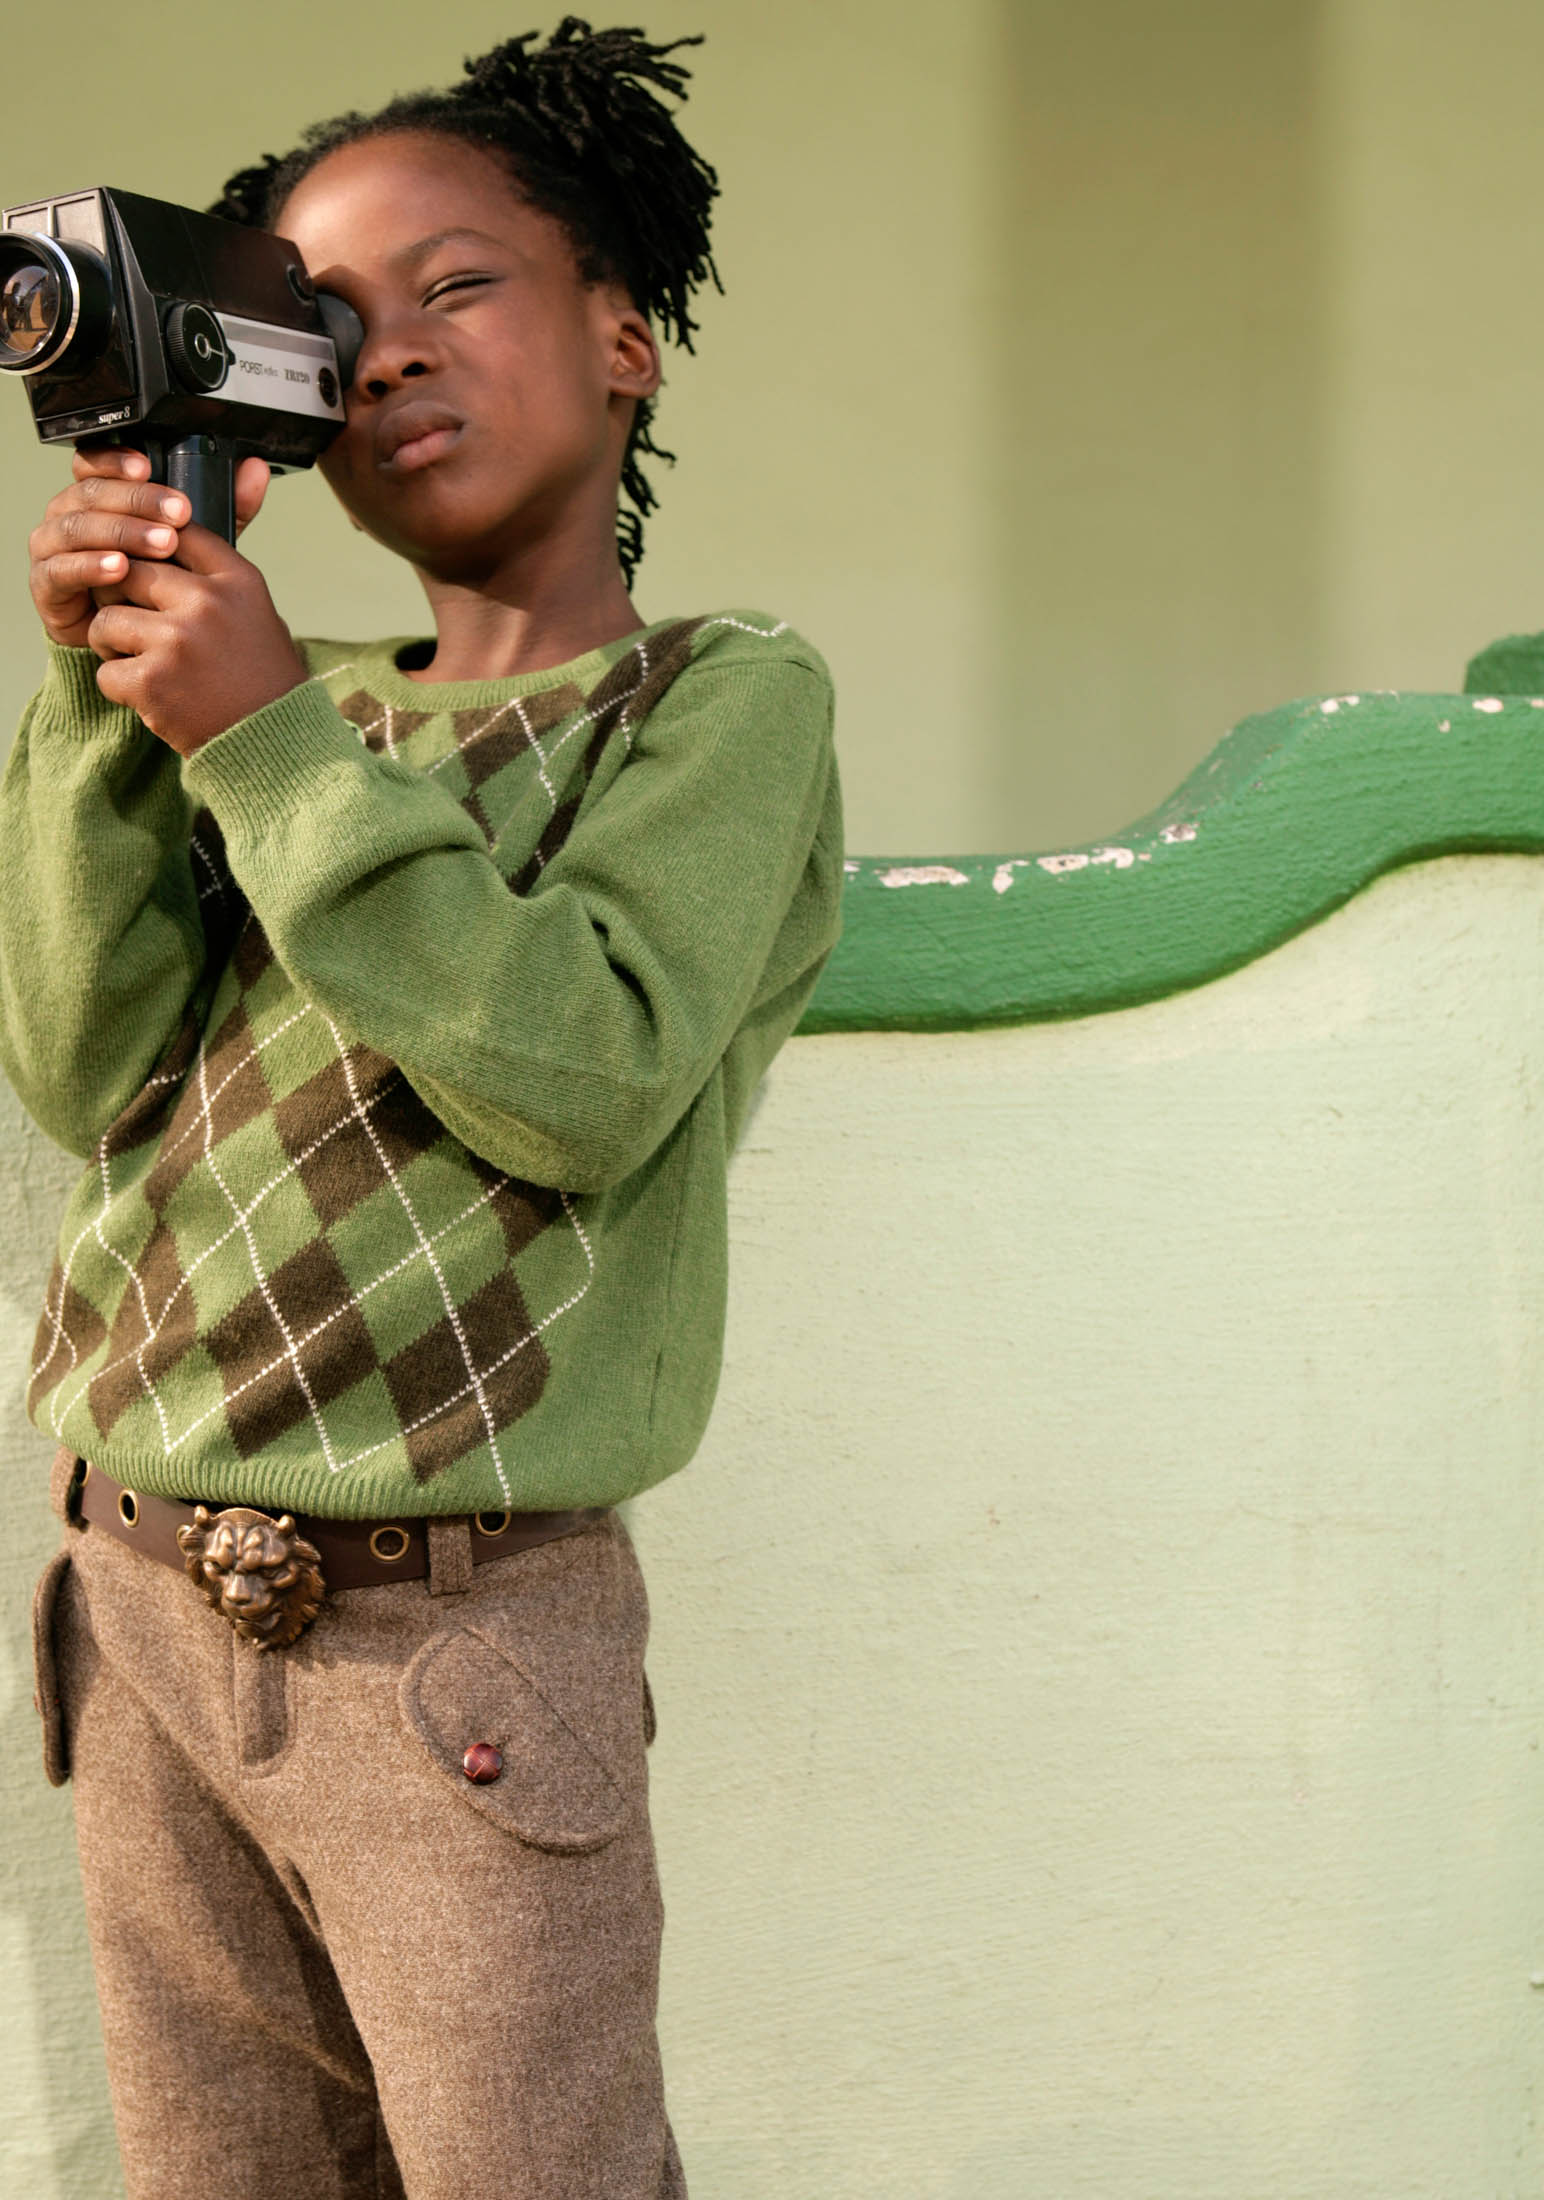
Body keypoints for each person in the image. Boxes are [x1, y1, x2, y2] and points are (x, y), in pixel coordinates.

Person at [1, 20, 843, 2198]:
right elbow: (85, 1060)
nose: (385, 353)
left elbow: (582, 1070)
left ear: (623, 338)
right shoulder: (286, 694)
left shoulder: (719, 701)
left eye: (453, 284)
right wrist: (119, 700)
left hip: (451, 1636)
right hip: (138, 1590)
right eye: (322, 321)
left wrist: (262, 730)